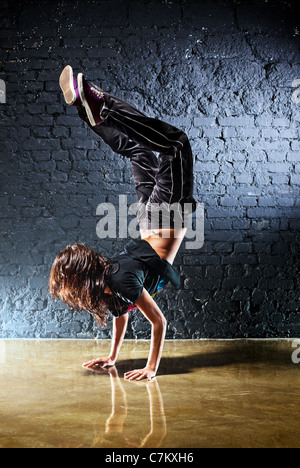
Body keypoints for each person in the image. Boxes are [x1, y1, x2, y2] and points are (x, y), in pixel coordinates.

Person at [49, 65, 197, 381]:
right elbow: (122, 314)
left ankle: (101, 106)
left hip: (166, 217)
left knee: (176, 144)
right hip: (149, 219)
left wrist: (151, 368)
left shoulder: (116, 284)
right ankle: (84, 108)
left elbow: (158, 322)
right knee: (140, 149)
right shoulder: (110, 285)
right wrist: (113, 356)